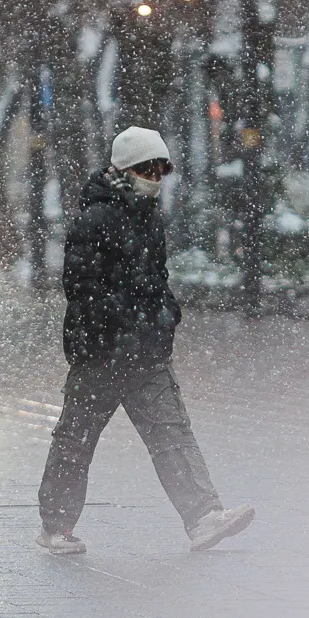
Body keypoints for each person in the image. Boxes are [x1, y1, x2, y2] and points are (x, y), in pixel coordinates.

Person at [36, 126, 255, 555]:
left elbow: (155, 278)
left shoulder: (147, 215)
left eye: (159, 171)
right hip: (100, 353)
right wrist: (123, 319)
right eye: (146, 170)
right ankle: (56, 526)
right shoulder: (96, 219)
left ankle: (204, 516)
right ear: (124, 170)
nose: (154, 179)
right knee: (75, 441)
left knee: (171, 433)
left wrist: (163, 315)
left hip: (145, 351)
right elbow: (81, 285)